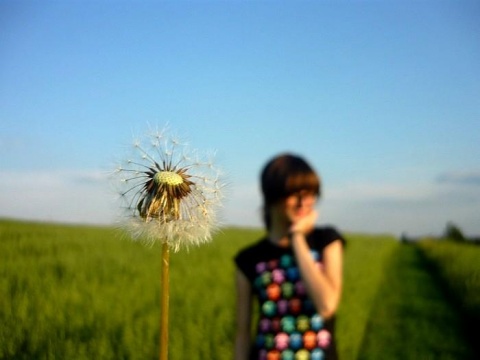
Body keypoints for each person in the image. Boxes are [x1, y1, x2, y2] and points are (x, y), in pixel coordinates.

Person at [234, 153, 345, 360]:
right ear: (272, 196)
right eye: (294, 193)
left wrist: (297, 239)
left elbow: (327, 305)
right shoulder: (249, 259)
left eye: (310, 193)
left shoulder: (327, 241)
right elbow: (242, 334)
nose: (304, 202)